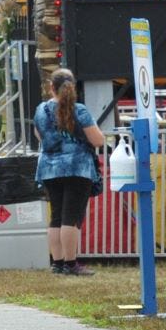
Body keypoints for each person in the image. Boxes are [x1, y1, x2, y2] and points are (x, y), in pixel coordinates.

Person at [32, 69, 106, 276]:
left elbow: (39, 136)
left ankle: (57, 263)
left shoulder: (40, 110)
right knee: (71, 217)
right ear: (72, 87)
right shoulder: (79, 110)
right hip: (77, 167)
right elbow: (98, 140)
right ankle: (71, 264)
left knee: (56, 216)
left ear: (51, 87)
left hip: (49, 168)